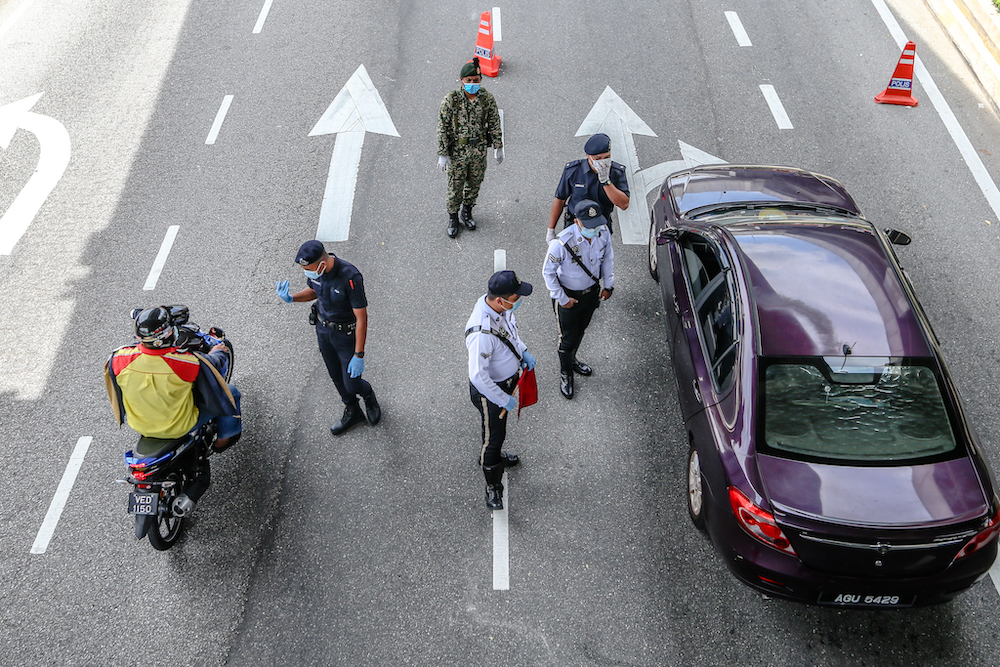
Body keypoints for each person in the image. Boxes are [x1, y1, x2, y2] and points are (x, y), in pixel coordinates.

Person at [105, 306, 242, 513]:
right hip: (180, 425)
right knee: (232, 393)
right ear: (167, 334)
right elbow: (212, 364)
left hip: (140, 424)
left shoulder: (118, 359)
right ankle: (223, 441)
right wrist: (217, 351)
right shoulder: (184, 363)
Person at [276, 240, 382, 436]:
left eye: (308, 268)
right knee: (336, 376)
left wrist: (359, 354)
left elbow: (361, 317)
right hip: (324, 331)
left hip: (346, 336)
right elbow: (314, 291)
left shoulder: (350, 277)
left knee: (352, 382)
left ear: (322, 264)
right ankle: (353, 411)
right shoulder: (318, 273)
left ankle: (368, 395)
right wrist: (292, 297)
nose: (306, 273)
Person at [465, 270, 536, 510]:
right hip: (491, 393)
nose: (517, 302)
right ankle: (492, 482)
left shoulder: (499, 309)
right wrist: (501, 398)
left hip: (505, 383)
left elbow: (511, 333)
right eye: (515, 298)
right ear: (499, 300)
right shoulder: (481, 333)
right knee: (493, 438)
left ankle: (494, 456)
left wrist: (522, 351)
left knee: (496, 431)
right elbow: (477, 375)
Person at [542, 199, 615, 399]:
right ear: (577, 222)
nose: (594, 229)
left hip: (590, 292)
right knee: (567, 338)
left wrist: (609, 285)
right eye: (589, 226)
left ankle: (572, 360)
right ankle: (566, 371)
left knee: (581, 330)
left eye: (596, 224)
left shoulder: (603, 232)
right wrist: (562, 298)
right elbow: (548, 273)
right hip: (568, 297)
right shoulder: (562, 243)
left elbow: (607, 258)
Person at [437, 56, 504, 238]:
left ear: (480, 80)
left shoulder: (486, 99)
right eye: (469, 81)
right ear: (462, 81)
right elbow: (442, 126)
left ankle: (467, 211)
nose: (473, 84)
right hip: (458, 152)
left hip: (478, 150)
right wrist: (443, 153)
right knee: (455, 187)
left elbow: (494, 122)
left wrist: (498, 146)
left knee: (474, 185)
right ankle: (453, 217)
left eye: (476, 80)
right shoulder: (451, 100)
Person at [546, 133, 629, 243]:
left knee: (599, 258)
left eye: (607, 157)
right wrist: (551, 230)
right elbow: (560, 200)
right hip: (575, 224)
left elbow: (624, 204)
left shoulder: (616, 172)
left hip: (600, 225)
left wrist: (606, 181)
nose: (602, 161)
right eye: (598, 158)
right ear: (588, 155)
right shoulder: (573, 171)